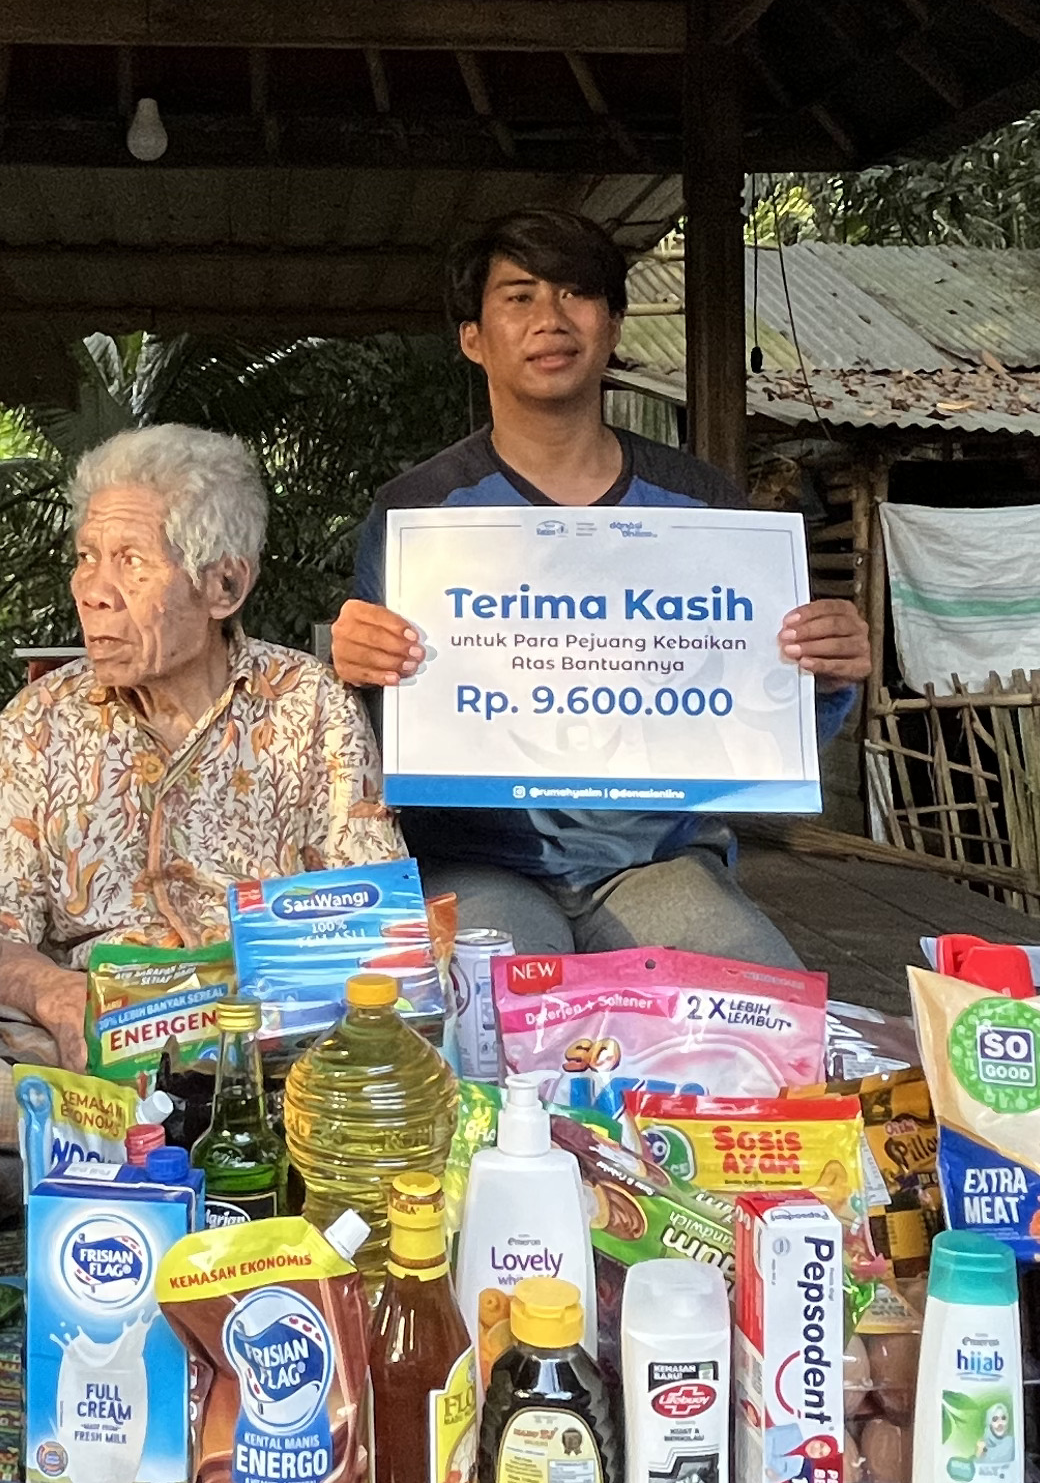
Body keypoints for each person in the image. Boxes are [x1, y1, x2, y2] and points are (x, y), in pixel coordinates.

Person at [331, 207, 870, 969]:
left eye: (575, 293)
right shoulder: (417, 515)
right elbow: (364, 739)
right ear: (473, 338)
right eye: (519, 296)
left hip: (657, 861)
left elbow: (760, 727)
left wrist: (825, 676)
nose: (550, 319)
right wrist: (351, 674)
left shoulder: (701, 506)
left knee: (762, 1000)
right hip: (474, 863)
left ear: (613, 324)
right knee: (490, 1003)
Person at [0, 424, 405, 1076]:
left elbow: (373, 916)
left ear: (224, 586)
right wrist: (54, 994)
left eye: (131, 561)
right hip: (87, 1035)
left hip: (268, 1034)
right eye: (86, 556)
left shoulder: (310, 705)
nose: (93, 590)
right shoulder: (40, 719)